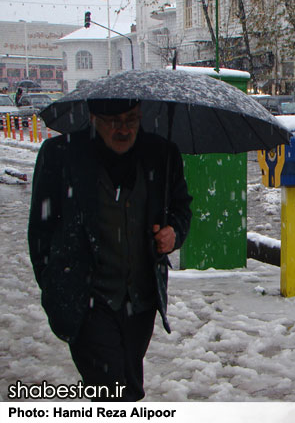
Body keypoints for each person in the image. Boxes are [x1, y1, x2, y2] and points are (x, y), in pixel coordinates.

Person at [28, 98, 192, 401]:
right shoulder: (60, 156)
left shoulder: (161, 154)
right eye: (113, 121)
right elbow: (40, 231)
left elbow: (181, 209)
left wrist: (173, 233)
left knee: (128, 382)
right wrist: (56, 286)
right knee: (113, 388)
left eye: (131, 119)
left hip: (140, 301)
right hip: (87, 299)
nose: (124, 129)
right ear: (93, 118)